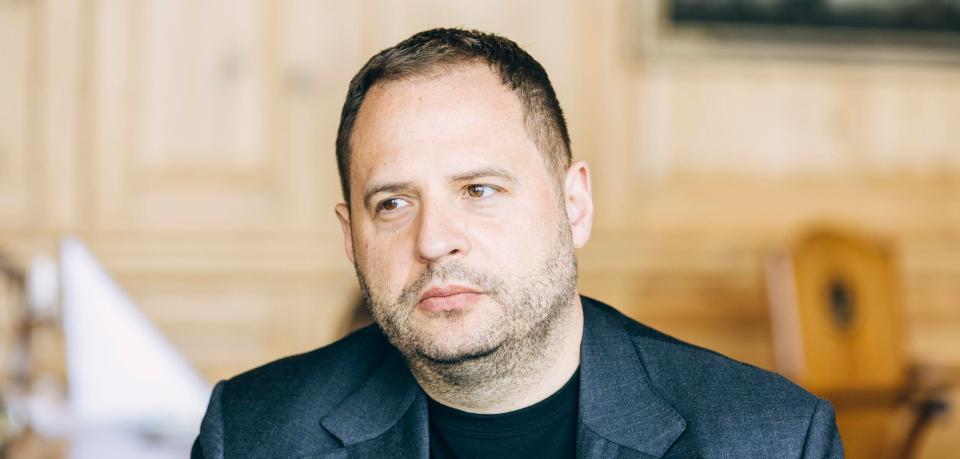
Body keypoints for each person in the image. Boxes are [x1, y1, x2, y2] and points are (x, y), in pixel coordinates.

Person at [192, 28, 843, 458]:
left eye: (479, 189)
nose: (434, 240)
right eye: (392, 203)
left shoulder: (771, 438)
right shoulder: (251, 432)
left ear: (574, 205)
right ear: (350, 237)